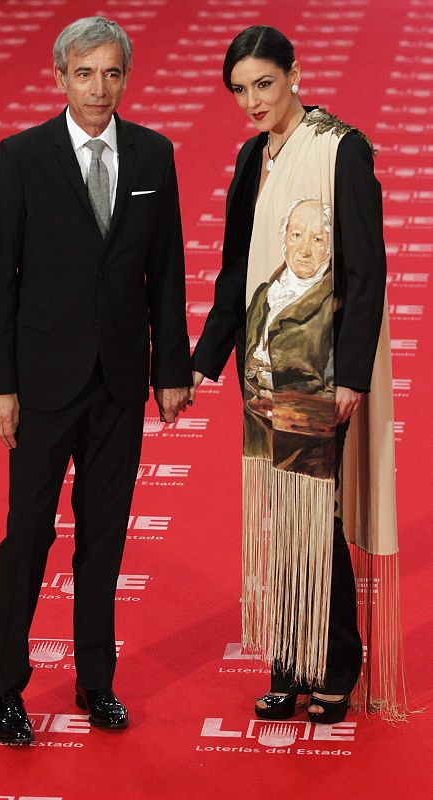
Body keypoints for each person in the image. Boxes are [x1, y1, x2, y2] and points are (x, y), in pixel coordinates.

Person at [0, 16, 191, 743]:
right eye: (84, 73)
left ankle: (96, 683)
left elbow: (166, 272)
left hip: (120, 384)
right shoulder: (23, 156)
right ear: (59, 78)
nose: (99, 88)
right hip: (39, 384)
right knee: (27, 536)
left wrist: (171, 370)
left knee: (104, 538)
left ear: (126, 77)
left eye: (111, 73)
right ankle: (6, 690)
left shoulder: (155, 157)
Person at [192, 26, 406, 724]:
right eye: (240, 91)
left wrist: (350, 374)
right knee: (283, 518)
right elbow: (232, 274)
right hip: (263, 367)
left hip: (318, 369)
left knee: (315, 518)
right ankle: (289, 663)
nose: (253, 101)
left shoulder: (342, 148)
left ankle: (336, 665)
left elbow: (368, 270)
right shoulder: (252, 159)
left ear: (294, 73)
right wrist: (201, 361)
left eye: (264, 83)